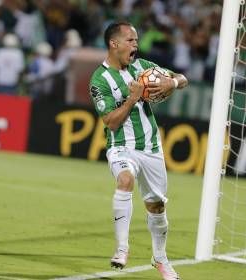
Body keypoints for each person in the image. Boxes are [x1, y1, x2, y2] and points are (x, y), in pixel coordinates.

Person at [89, 21, 188, 280]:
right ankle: (122, 248)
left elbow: (183, 78)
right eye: (131, 40)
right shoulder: (100, 79)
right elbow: (110, 121)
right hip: (120, 147)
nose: (136, 44)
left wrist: (172, 85)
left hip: (151, 147)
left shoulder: (142, 67)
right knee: (125, 180)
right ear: (114, 43)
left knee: (156, 206)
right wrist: (133, 98)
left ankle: (160, 258)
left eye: (136, 40)